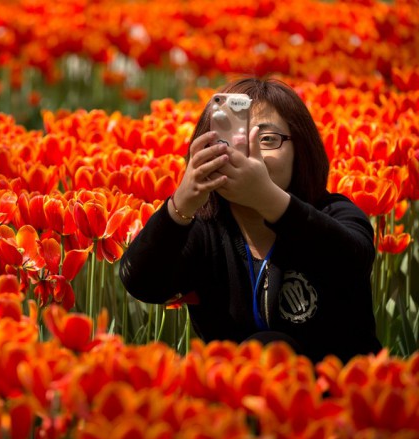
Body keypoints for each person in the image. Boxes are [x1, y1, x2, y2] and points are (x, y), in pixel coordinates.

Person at [119, 77, 382, 364]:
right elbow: (142, 283)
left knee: (270, 347)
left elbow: (352, 261)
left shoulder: (334, 213)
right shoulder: (205, 230)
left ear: (301, 149)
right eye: (230, 140)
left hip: (337, 397)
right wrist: (182, 203)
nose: (248, 154)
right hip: (235, 396)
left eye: (267, 139)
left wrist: (265, 197)